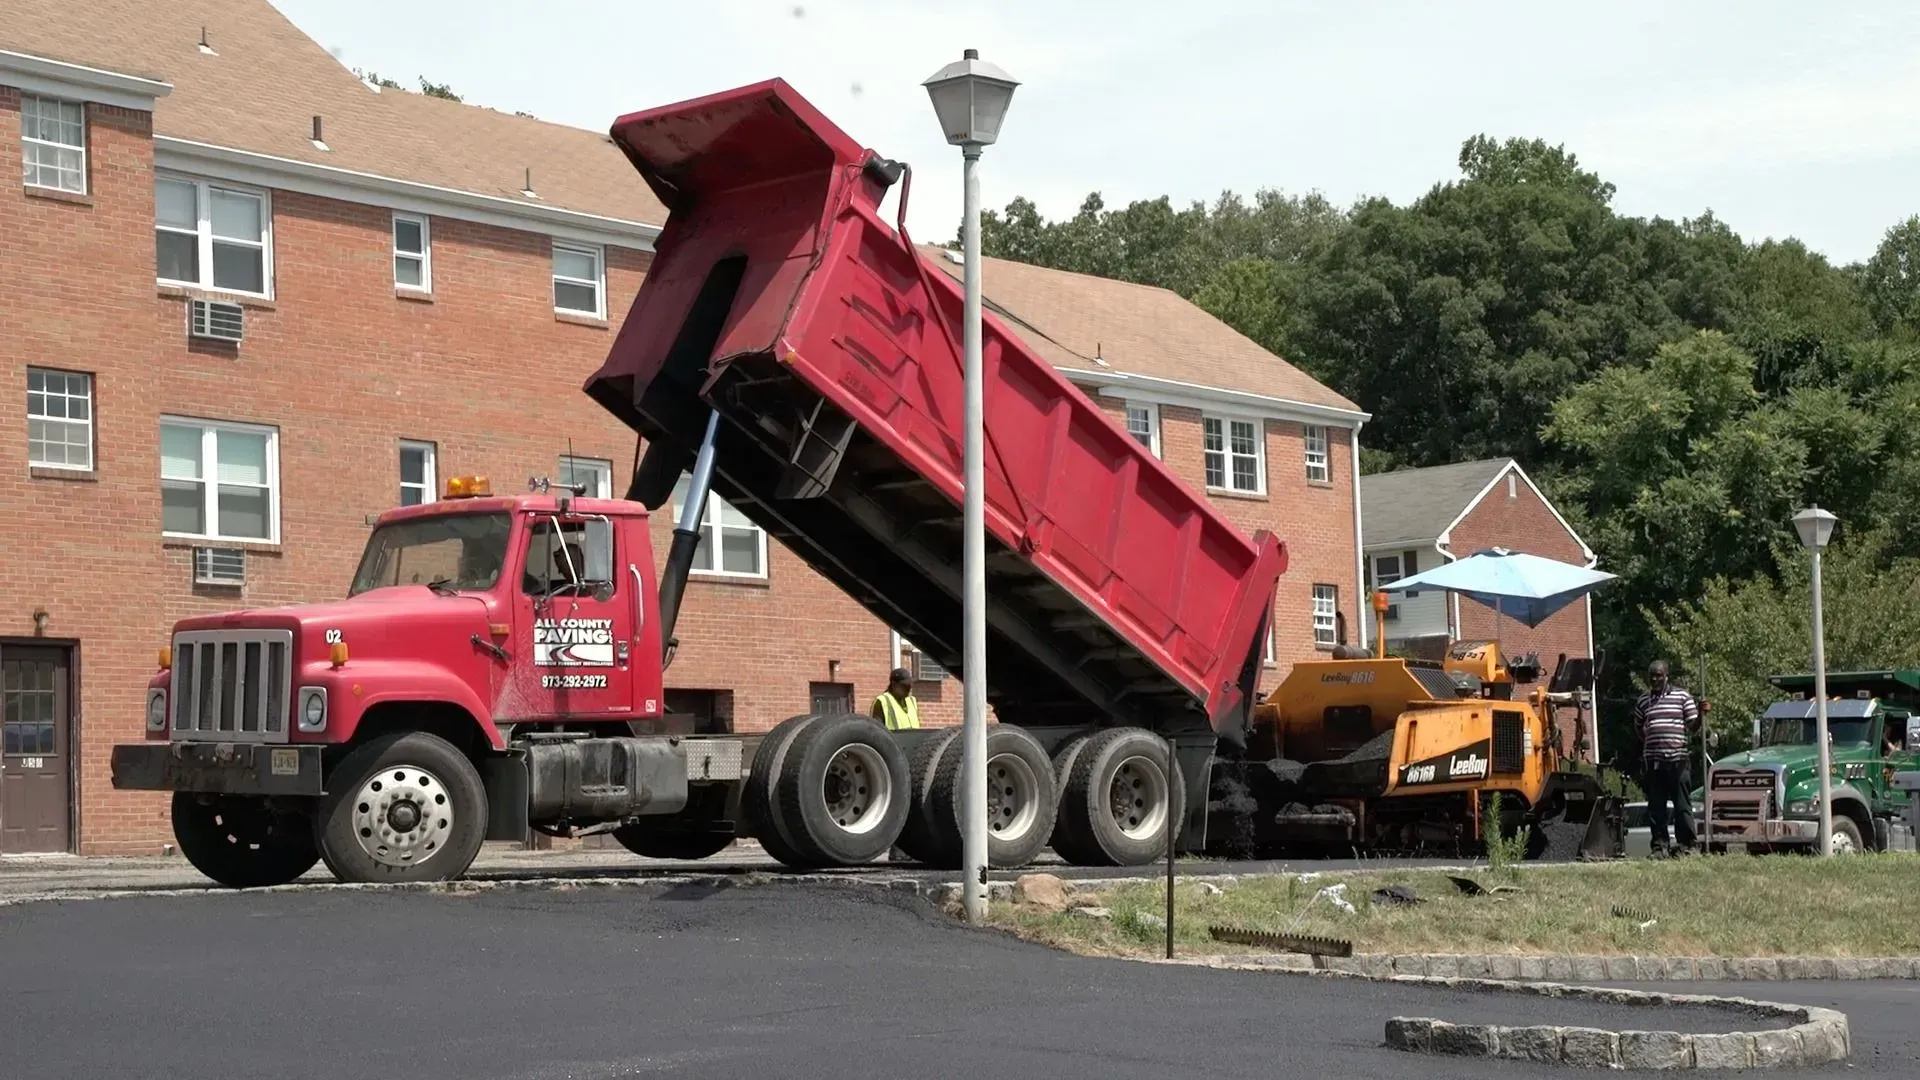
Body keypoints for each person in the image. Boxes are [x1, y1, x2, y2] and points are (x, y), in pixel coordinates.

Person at [1634, 659, 1700, 857]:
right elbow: (1638, 726)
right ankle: (1659, 847)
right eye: (1651, 676)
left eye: (1658, 675)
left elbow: (1693, 726)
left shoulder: (1682, 697)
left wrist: (1702, 715)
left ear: (1666, 676)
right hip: (1653, 762)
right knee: (1656, 807)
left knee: (1682, 806)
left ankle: (1687, 845)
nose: (1654, 679)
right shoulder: (1643, 701)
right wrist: (1649, 742)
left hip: (1678, 761)